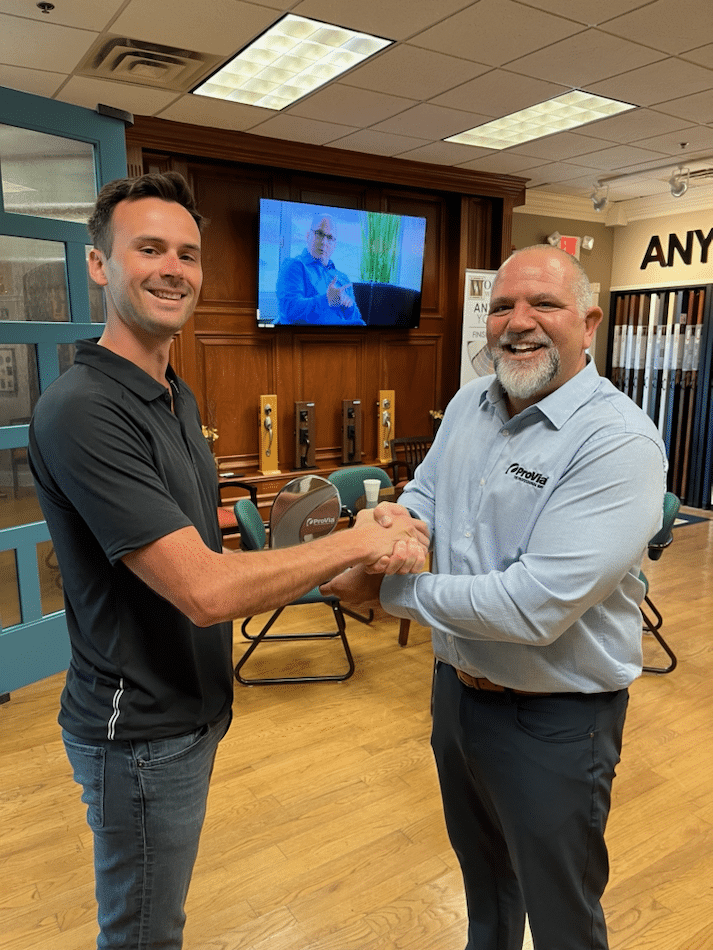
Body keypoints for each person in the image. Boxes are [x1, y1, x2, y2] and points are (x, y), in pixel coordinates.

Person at [28, 172, 427, 950]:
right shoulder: (85, 409)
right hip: (137, 731)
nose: (172, 268)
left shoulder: (173, 394)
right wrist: (359, 538)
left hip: (193, 711)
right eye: (148, 248)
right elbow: (206, 592)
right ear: (100, 265)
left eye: (187, 253)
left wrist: (340, 572)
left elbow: (207, 553)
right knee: (145, 932)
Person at [322, 245, 668, 950]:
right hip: (455, 697)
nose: (518, 322)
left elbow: (532, 606)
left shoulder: (617, 441)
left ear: (588, 320)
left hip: (556, 722)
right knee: (485, 893)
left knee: (562, 915)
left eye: (543, 304)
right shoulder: (468, 403)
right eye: (502, 305)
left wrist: (386, 587)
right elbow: (424, 497)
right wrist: (391, 526)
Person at [275, 212, 365, 325]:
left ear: (335, 245)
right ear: (308, 235)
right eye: (319, 233)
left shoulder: (343, 278)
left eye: (330, 237)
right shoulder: (294, 266)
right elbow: (289, 310)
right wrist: (326, 300)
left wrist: (349, 306)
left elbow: (356, 319)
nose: (323, 242)